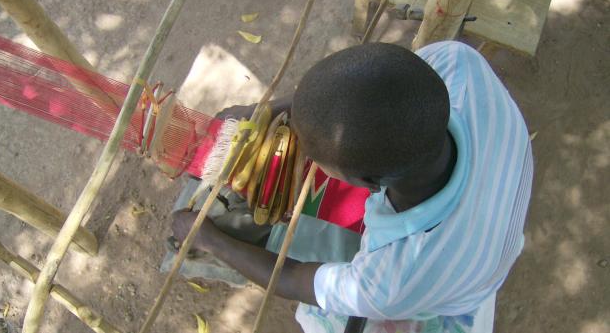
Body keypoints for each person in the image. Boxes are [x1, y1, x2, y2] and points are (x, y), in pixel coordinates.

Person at [172, 41, 533, 333]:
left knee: (319, 320)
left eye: (315, 157)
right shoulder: (458, 63)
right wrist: (261, 111)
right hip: (498, 217)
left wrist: (208, 239)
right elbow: (360, 86)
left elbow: (295, 277)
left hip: (463, 284)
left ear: (367, 184)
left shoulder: (391, 279)